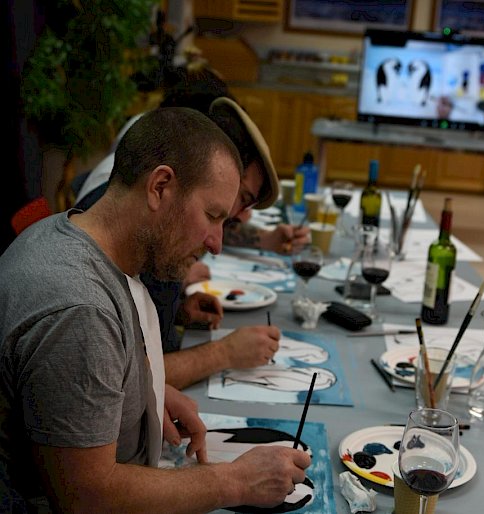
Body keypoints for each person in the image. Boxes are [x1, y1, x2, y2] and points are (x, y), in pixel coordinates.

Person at [0, 107, 311, 512]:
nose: (217, 243)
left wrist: (145, 391)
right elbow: (87, 497)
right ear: (160, 186)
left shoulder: (76, 234)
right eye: (213, 216)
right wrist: (232, 481)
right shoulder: (80, 309)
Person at [75, 90, 309, 390]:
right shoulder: (95, 287)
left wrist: (178, 313)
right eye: (214, 213)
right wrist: (223, 352)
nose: (217, 244)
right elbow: (125, 380)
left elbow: (125, 349)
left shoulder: (143, 225)